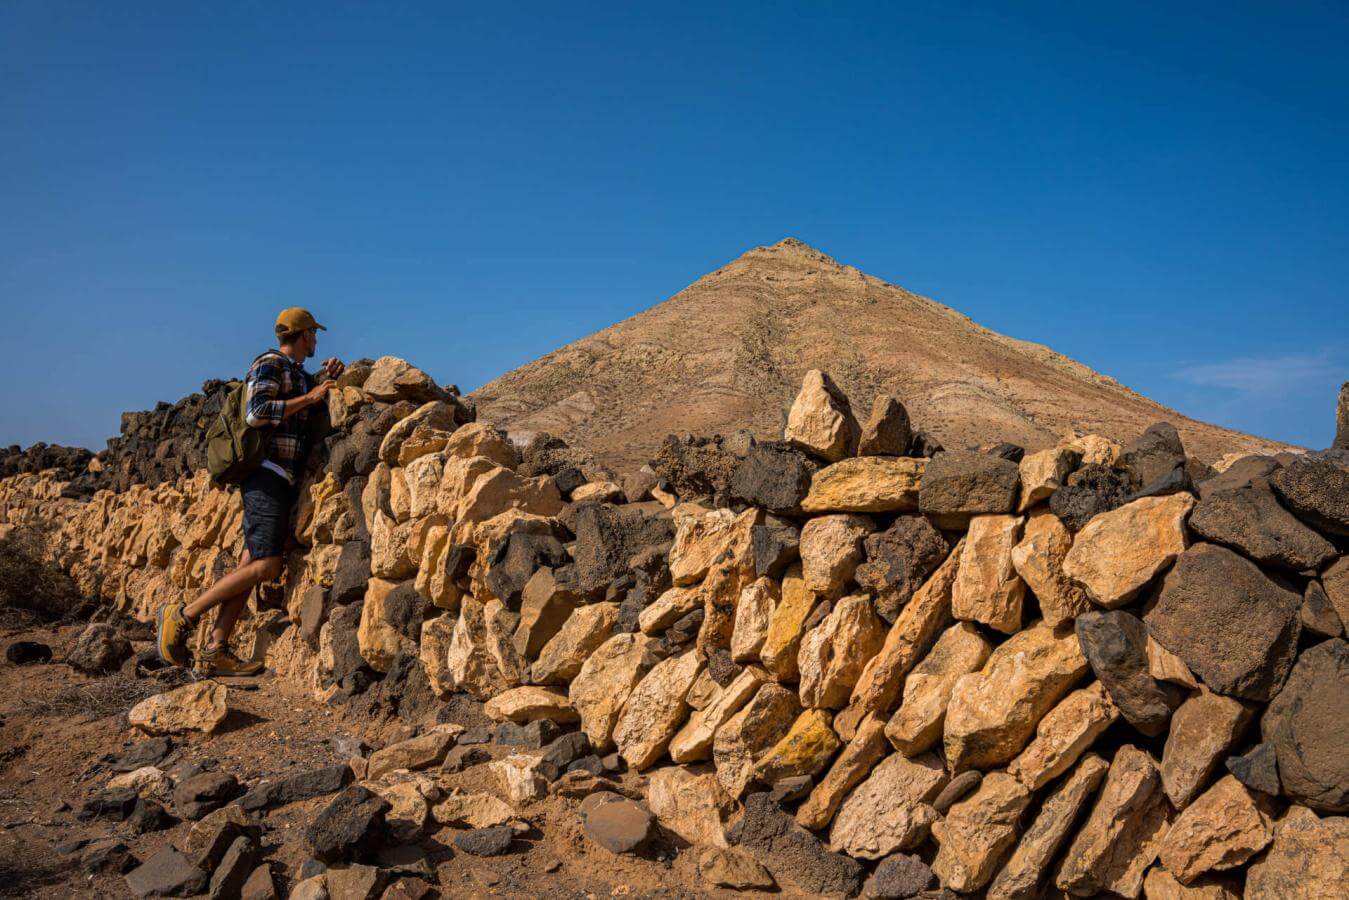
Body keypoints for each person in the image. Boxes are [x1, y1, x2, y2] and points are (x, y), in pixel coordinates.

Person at [156, 307, 344, 675]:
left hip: (279, 477)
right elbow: (256, 412)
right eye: (314, 334)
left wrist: (325, 378)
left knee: (248, 563)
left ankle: (215, 649)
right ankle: (182, 615)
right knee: (267, 565)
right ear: (303, 335)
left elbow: (304, 398)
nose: (317, 340)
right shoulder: (269, 363)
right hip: (266, 474)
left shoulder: (295, 373)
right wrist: (310, 397)